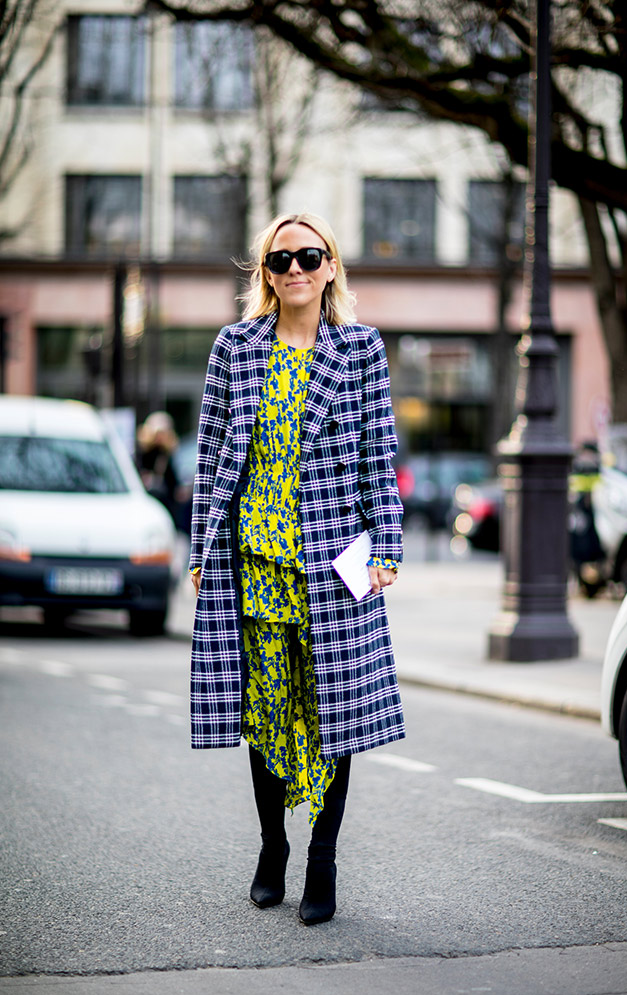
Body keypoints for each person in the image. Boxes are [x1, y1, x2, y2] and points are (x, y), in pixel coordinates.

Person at [189, 212, 405, 925]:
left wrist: (387, 549)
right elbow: (212, 452)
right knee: (264, 710)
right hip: (252, 560)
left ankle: (322, 857)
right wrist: (200, 550)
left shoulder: (360, 351)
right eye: (279, 260)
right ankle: (271, 846)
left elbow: (378, 453)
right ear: (265, 273)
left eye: (308, 257)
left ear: (331, 266)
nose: (294, 270)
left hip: (335, 560)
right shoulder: (235, 346)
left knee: (334, 712)